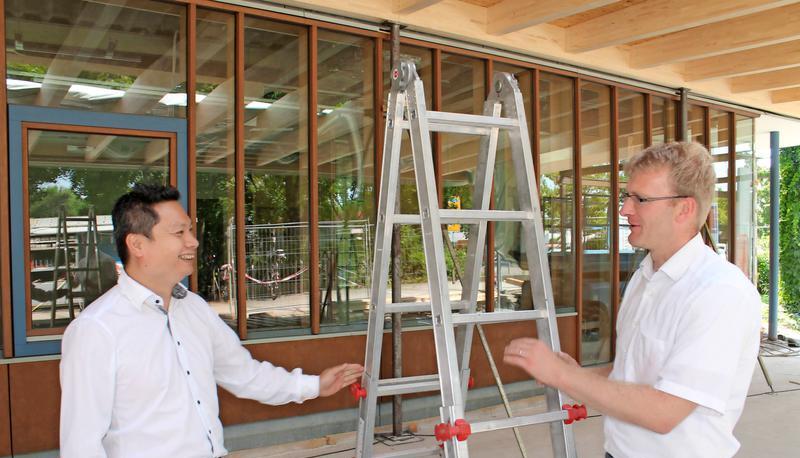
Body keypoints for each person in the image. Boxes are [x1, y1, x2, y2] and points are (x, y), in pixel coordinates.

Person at [60, 184, 363, 457]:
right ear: (138, 245)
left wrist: (314, 385)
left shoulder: (194, 309)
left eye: (190, 231)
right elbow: (81, 445)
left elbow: (245, 375)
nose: (193, 242)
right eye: (179, 233)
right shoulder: (96, 329)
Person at [504, 142, 761, 458]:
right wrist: (576, 377)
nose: (625, 209)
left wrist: (562, 375)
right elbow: (629, 372)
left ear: (685, 208)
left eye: (641, 199)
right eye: (627, 197)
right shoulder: (646, 276)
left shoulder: (719, 293)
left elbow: (664, 412)